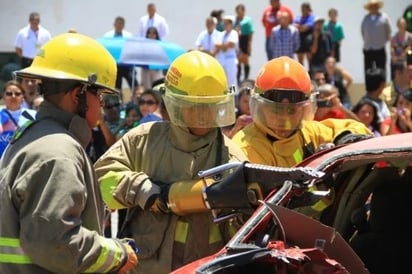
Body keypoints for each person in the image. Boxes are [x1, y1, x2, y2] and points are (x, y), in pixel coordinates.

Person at [94, 50, 248, 273]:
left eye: (210, 106)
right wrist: (142, 190)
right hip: (145, 266)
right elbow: (99, 179)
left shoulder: (231, 158)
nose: (203, 116)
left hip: (201, 267)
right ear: (173, 103)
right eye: (194, 107)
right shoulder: (144, 140)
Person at [0, 32, 138, 273]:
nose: (103, 106)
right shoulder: (59, 152)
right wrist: (117, 254)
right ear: (79, 95)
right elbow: (56, 244)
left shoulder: (34, 135)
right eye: (101, 95)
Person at [232, 56, 371, 167]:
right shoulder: (246, 147)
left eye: (292, 110)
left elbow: (358, 128)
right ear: (261, 107)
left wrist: (344, 141)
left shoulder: (310, 132)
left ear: (304, 108)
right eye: (276, 110)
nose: (284, 118)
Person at [103, 16, 138, 97]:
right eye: (118, 23)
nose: (119, 25)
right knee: (117, 87)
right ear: (114, 24)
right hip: (115, 65)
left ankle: (136, 100)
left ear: (123, 25)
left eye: (121, 24)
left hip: (127, 65)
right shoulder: (107, 36)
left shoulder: (128, 36)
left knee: (135, 85)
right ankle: (117, 101)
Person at [0, 80, 36, 157]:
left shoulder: (32, 115)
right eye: (9, 94)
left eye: (17, 94)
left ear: (23, 97)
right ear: (3, 97)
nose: (13, 96)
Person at [361, 0, 392, 82]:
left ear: (378, 7)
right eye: (371, 6)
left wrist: (381, 42)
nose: (373, 8)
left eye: (375, 6)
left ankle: (383, 92)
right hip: (368, 49)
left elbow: (388, 32)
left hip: (380, 49)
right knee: (368, 71)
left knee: (381, 71)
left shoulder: (384, 17)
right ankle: (369, 91)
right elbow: (363, 32)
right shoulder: (366, 18)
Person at [214, 16, 239, 89]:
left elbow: (231, 44)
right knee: (222, 80)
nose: (225, 25)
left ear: (231, 24)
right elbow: (216, 45)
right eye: (224, 23)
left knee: (232, 82)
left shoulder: (233, 33)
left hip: (230, 60)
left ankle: (234, 98)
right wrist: (224, 46)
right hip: (221, 60)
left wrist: (222, 46)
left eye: (227, 23)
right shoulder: (221, 34)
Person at [234, 4, 254, 83]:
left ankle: (246, 78)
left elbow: (250, 33)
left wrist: (249, 45)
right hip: (237, 40)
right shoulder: (235, 20)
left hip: (245, 40)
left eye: (241, 12)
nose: (239, 14)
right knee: (238, 60)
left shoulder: (247, 20)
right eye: (238, 12)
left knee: (245, 59)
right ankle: (238, 79)